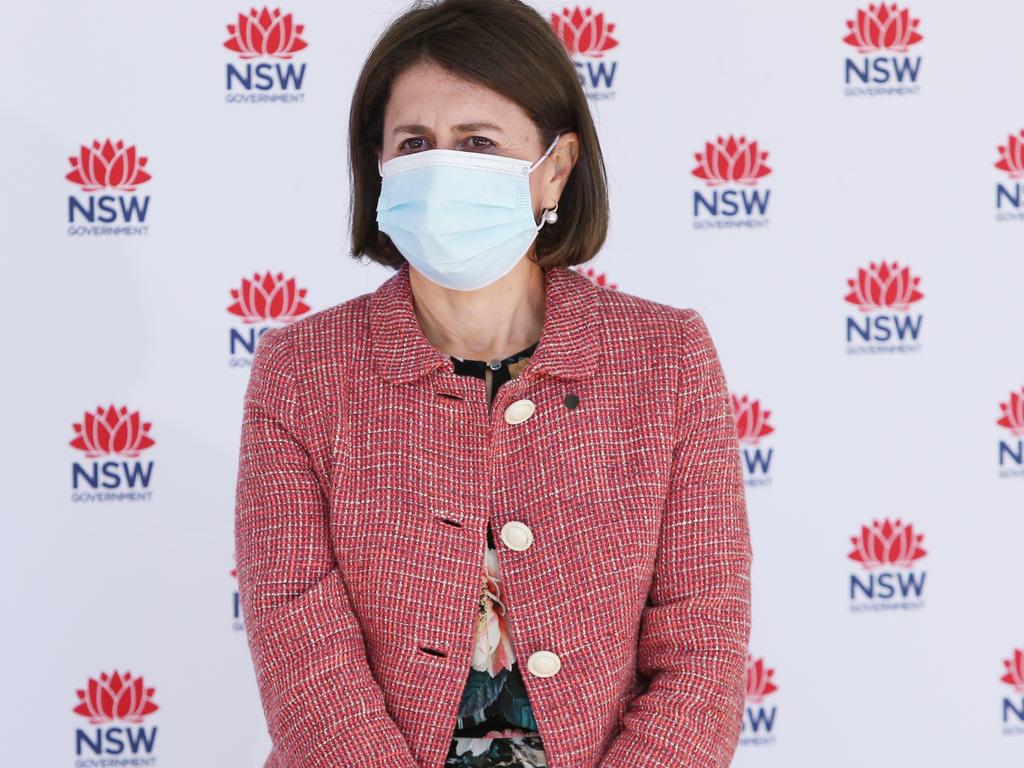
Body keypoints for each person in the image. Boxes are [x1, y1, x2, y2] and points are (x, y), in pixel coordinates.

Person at [233, 1, 753, 766]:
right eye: (414, 143)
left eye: (478, 143)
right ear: (377, 167)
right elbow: (305, 664)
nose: (442, 168)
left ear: (557, 169)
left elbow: (702, 646)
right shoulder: (301, 372)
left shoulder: (667, 358)